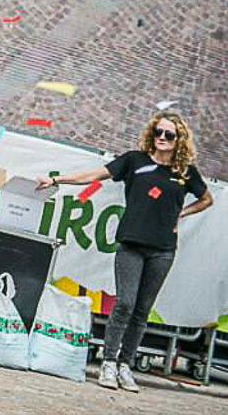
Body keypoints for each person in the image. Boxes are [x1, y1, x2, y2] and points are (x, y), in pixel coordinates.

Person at [38, 112, 211, 390]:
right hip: (131, 245)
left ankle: (125, 365)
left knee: (142, 310)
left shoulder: (185, 172)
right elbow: (94, 175)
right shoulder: (135, 160)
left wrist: (182, 214)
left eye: (169, 135)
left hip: (163, 250)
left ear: (180, 140)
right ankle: (108, 362)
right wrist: (58, 180)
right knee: (125, 304)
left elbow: (206, 199)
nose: (162, 139)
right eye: (159, 132)